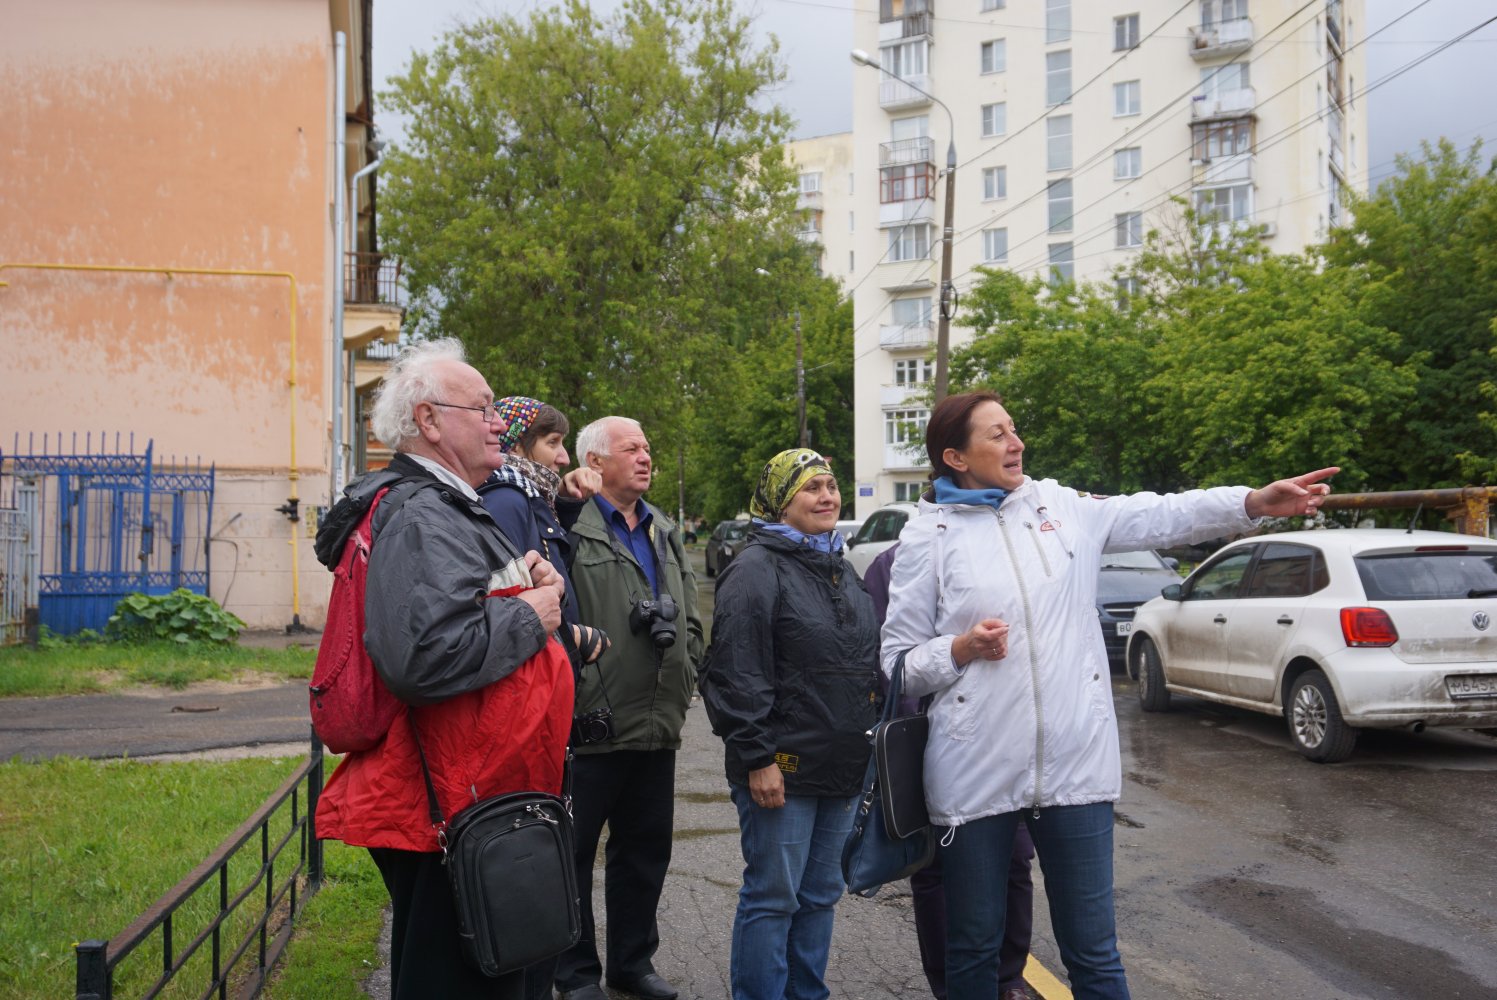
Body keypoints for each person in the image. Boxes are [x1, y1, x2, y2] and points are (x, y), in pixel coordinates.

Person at [880, 391, 1336, 1000]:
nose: (1016, 443)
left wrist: (1252, 503)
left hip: (1076, 768)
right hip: (973, 774)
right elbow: (898, 666)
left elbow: (1165, 514)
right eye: (997, 435)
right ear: (955, 457)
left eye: (1014, 429)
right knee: (972, 953)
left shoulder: (1064, 508)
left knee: (1093, 953)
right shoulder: (926, 536)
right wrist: (958, 650)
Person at [315, 338, 574, 1000]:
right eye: (483, 408)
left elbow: (451, 605)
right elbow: (421, 656)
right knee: (455, 981)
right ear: (429, 421)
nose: (499, 423)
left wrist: (520, 578)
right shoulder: (423, 510)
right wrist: (532, 616)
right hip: (446, 803)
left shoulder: (446, 503)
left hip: (460, 794)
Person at [698, 448, 881, 1000]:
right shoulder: (755, 569)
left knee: (822, 892)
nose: (827, 496)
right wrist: (757, 759)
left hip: (842, 766)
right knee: (774, 897)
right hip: (782, 768)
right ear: (780, 501)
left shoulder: (840, 568)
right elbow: (736, 672)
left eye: (831, 485)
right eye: (812, 488)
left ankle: (807, 993)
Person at [554, 416, 705, 1000]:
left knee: (645, 854)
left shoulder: (663, 528)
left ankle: (632, 965)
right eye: (631, 448)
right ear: (595, 462)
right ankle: (574, 973)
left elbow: (690, 612)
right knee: (572, 853)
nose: (646, 456)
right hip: (591, 721)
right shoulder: (570, 526)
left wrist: (687, 664)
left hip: (656, 720)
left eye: (648, 446)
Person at [863, 543, 1035, 1000]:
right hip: (925, 738)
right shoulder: (895, 563)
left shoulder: (1005, 551)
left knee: (1015, 860)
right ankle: (948, 985)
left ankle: (1008, 978)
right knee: (934, 867)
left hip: (1001, 737)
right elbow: (886, 660)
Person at [479, 396, 608, 668]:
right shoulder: (507, 501)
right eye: (552, 442)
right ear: (515, 446)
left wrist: (564, 502)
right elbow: (505, 605)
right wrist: (569, 634)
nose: (564, 457)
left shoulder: (529, 497)